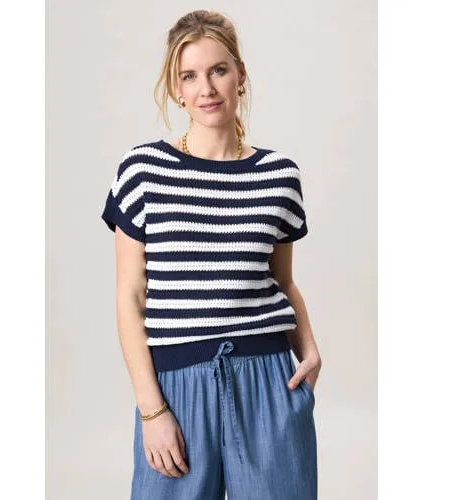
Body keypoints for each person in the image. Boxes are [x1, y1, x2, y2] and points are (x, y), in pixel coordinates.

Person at [101, 9, 322, 500]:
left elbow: (282, 281)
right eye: (189, 76)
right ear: (176, 88)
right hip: (177, 387)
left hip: (268, 382)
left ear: (240, 75)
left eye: (218, 70)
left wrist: (308, 348)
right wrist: (152, 410)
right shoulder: (142, 172)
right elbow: (130, 296)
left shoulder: (279, 176)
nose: (206, 88)